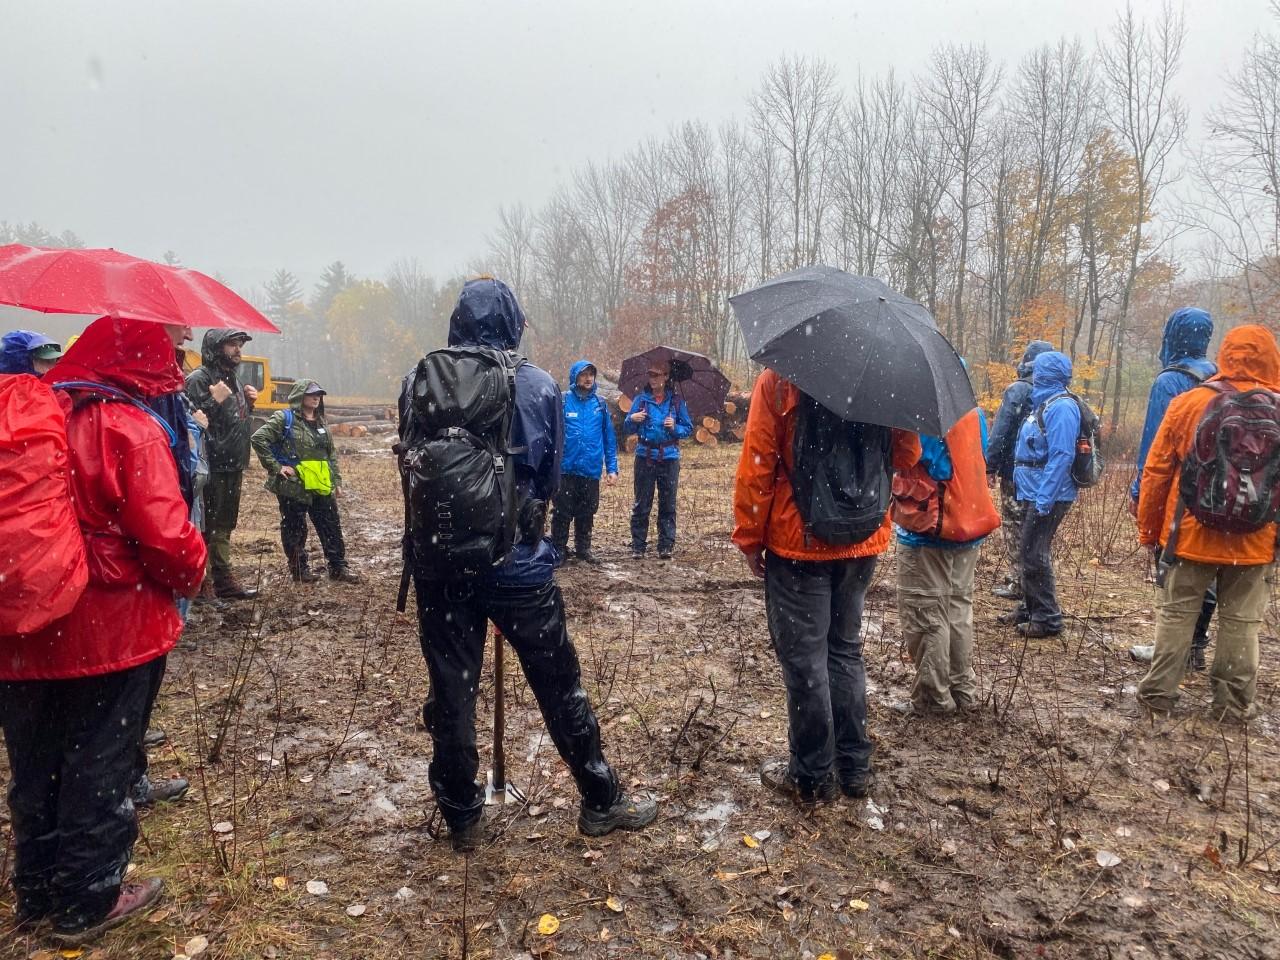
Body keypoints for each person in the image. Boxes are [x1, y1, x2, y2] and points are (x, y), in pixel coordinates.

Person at [399, 278, 656, 850]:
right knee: (560, 684)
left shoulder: (418, 379)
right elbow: (549, 479)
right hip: (517, 567)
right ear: (513, 321)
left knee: (451, 690)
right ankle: (600, 799)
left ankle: (462, 818)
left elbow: (411, 466)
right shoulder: (537, 384)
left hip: (439, 566)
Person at [0, 316, 206, 944]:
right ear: (140, 363)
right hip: (109, 630)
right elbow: (167, 537)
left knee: (34, 764)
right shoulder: (126, 425)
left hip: (21, 623)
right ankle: (88, 901)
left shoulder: (26, 418)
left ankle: (35, 891)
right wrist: (193, 573)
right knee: (99, 759)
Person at [733, 367, 921, 804]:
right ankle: (854, 768)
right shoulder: (886, 375)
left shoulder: (781, 378)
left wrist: (749, 535)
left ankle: (813, 776)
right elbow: (907, 454)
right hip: (862, 538)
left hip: (799, 541)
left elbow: (758, 459)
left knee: (805, 663)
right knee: (844, 650)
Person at [1136, 325, 1280, 722]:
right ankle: (1232, 706)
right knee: (1241, 623)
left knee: (1178, 615)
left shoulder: (1189, 403)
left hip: (1190, 535)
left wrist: (1150, 531)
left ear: (1225, 354)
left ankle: (1158, 695)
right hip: (1256, 541)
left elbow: (1157, 471)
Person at [893, 404, 1000, 715]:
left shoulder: (920, 409)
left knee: (926, 614)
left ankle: (933, 698)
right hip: (968, 525)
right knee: (956, 610)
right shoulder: (973, 412)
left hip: (930, 531)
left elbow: (907, 457)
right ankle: (962, 689)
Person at [1128, 308, 1218, 671]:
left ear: (1172, 334)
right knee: (1206, 568)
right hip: (1215, 492)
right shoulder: (1217, 375)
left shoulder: (1170, 381)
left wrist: (1140, 492)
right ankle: (1195, 644)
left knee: (1171, 568)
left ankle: (1170, 647)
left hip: (1180, 493)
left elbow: (1156, 447)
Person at [999, 351, 1080, 638]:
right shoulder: (1043, 402)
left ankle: (1048, 618)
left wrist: (1044, 498)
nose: (1031, 372)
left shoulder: (1062, 408)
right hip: (1034, 490)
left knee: (1034, 552)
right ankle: (1030, 608)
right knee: (1028, 550)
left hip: (1050, 495)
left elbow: (1062, 456)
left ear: (1047, 373)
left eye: (1038, 369)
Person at [251, 378, 360, 583]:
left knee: (330, 525)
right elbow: (258, 439)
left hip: (320, 483)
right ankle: (300, 571)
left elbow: (330, 454)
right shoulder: (284, 418)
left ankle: (338, 567)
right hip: (294, 485)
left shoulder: (321, 422)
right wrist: (276, 467)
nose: (316, 397)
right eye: (312, 394)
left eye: (319, 394)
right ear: (300, 396)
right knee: (295, 528)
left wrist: (336, 481)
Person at [185, 329, 259, 599]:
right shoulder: (198, 379)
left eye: (239, 344)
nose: (238, 349)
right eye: (231, 344)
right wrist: (211, 400)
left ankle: (223, 580)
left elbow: (234, 421)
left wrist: (249, 405)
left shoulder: (235, 381)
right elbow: (189, 419)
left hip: (233, 463)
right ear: (216, 348)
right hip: (210, 465)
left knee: (225, 524)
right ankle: (200, 584)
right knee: (205, 525)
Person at [985, 340, 1053, 599]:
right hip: (1044, 475)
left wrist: (989, 466)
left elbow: (1001, 431)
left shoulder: (1018, 390)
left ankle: (1019, 582)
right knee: (1036, 528)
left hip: (1015, 471)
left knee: (1015, 524)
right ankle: (1034, 578)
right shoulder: (1056, 393)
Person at [551, 359, 618, 564]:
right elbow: (552, 433)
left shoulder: (600, 404)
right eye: (584, 374)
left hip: (590, 469)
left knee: (587, 510)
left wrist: (612, 468)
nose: (588, 378)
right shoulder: (562, 401)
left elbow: (609, 438)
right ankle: (559, 550)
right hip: (566, 468)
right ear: (575, 377)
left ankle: (583, 549)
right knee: (562, 511)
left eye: (591, 374)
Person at [624, 361, 693, 559]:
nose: (652, 379)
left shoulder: (677, 402)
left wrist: (675, 427)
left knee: (668, 504)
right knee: (641, 503)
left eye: (656, 375)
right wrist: (632, 419)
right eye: (650, 375)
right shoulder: (641, 400)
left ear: (665, 377)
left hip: (669, 458)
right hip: (644, 456)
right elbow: (628, 428)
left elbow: (687, 428)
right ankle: (638, 546)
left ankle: (665, 546)